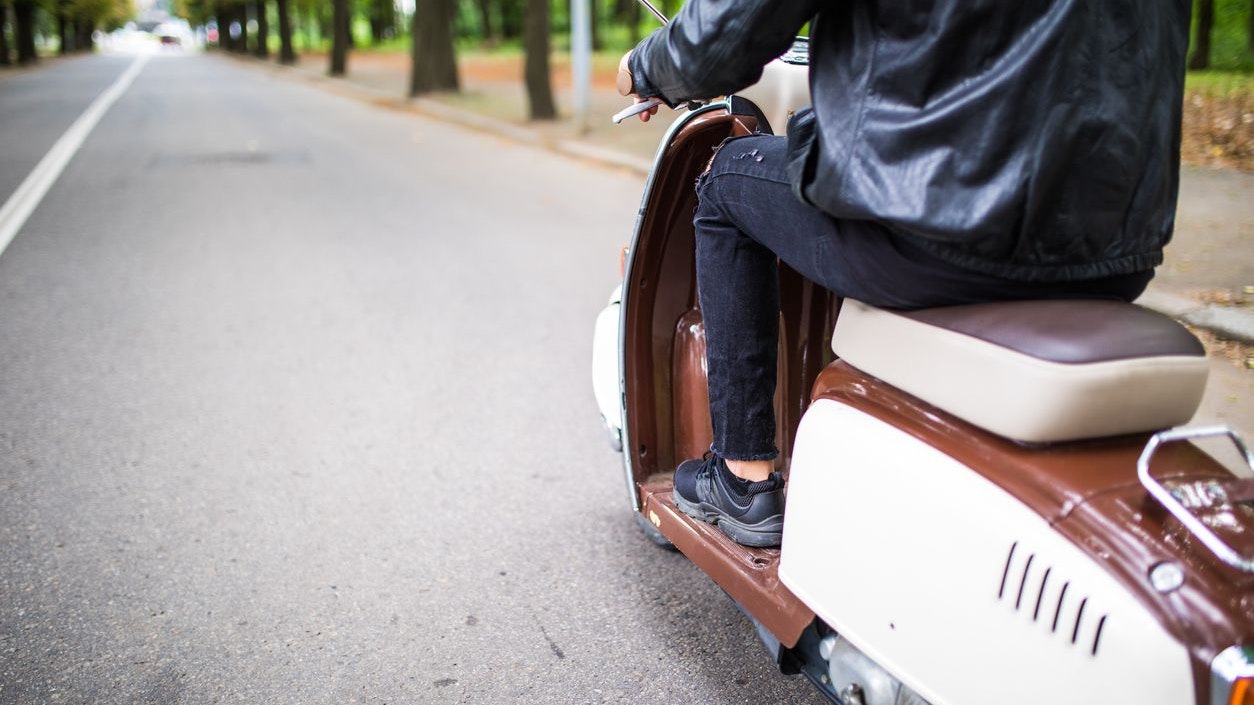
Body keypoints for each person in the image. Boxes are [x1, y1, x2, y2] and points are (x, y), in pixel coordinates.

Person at [616, 0, 1188, 548]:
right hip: (1113, 254)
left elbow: (724, 33)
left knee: (726, 180)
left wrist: (644, 68)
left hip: (934, 233)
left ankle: (743, 476)